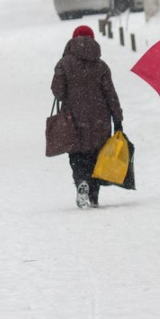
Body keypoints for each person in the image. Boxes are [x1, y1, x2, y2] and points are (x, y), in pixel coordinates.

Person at [51, 25, 123, 209]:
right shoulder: (101, 66)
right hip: (100, 121)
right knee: (96, 156)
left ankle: (81, 182)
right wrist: (118, 119)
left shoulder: (64, 64)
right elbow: (111, 95)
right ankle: (93, 194)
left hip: (74, 121)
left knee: (77, 156)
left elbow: (58, 92)